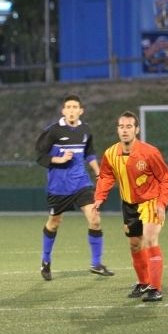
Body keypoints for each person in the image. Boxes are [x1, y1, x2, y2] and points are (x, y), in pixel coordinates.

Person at [94, 112, 168, 302]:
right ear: (117, 130)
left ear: (136, 130)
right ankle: (144, 282)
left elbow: (166, 177)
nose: (125, 130)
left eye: (129, 126)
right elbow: (106, 176)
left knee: (149, 239)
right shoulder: (111, 153)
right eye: (121, 126)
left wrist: (162, 203)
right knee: (135, 244)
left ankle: (156, 288)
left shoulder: (149, 152)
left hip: (151, 202)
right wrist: (99, 197)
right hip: (129, 204)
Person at [35, 94, 113, 281]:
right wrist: (59, 159)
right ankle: (45, 261)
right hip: (59, 187)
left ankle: (96, 263)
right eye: (68, 107)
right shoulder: (53, 131)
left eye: (74, 107)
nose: (71, 110)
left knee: (95, 219)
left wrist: (98, 172)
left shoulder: (85, 130)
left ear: (80, 110)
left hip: (81, 184)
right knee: (54, 223)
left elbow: (90, 153)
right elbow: (40, 156)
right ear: (63, 111)